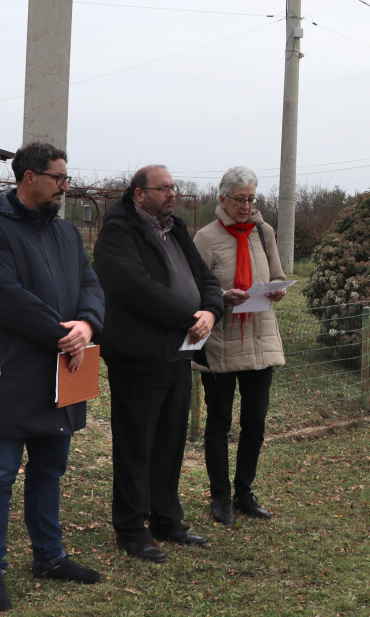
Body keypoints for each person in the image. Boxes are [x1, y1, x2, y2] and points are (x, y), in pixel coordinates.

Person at [0, 142, 105, 611]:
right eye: (58, 177)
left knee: (50, 469)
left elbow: (91, 283)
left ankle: (49, 557)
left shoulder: (67, 233)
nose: (66, 185)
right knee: (0, 473)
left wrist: (86, 325)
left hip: (62, 370)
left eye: (66, 177)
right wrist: (61, 334)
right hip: (11, 371)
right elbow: (4, 296)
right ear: (30, 178)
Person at [93, 165, 224, 563]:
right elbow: (136, 287)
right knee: (136, 445)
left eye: (173, 188)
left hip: (178, 353)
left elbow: (206, 278)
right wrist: (191, 315)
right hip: (137, 356)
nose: (172, 194)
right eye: (163, 188)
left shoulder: (176, 229)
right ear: (138, 194)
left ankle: (167, 521)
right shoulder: (118, 232)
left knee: (170, 441)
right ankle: (132, 529)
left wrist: (211, 312)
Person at [193, 167, 289, 525]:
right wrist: (221, 296)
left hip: (261, 342)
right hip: (220, 343)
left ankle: (244, 491)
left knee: (255, 424)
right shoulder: (205, 238)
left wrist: (277, 289)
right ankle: (219, 496)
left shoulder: (264, 233)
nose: (247, 206)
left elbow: (277, 274)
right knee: (219, 423)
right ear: (222, 200)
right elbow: (194, 289)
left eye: (251, 199)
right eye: (240, 199)